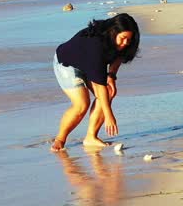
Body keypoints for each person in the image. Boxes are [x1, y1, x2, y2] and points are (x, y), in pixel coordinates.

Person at [50, 13, 140, 152]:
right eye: (123, 39)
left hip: (88, 63)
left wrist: (112, 76)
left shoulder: (124, 43)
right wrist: (109, 115)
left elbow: (119, 58)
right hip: (67, 63)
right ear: (113, 32)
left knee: (109, 92)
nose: (125, 43)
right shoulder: (96, 46)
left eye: (129, 40)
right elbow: (100, 85)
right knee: (81, 104)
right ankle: (60, 139)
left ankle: (91, 138)